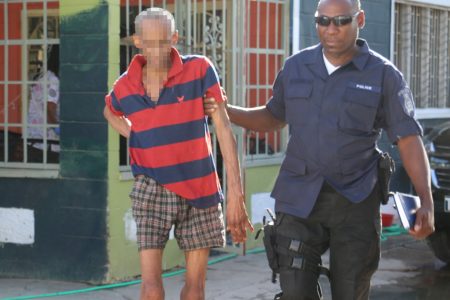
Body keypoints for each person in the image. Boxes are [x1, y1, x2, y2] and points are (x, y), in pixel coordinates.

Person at [204, 0, 435, 299]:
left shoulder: (383, 75)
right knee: (296, 291)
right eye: (322, 21)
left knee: (350, 291)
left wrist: (426, 200)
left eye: (341, 21)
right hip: (299, 197)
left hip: (355, 200)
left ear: (360, 19)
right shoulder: (297, 66)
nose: (331, 29)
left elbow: (408, 138)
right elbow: (274, 115)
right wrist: (226, 110)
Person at [103, 8, 253, 300]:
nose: (157, 50)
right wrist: (134, 133)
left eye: (164, 42)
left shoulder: (199, 69)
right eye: (150, 43)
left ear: (174, 38)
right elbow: (109, 109)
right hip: (151, 188)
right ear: (137, 42)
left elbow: (223, 127)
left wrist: (236, 194)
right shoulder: (126, 85)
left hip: (201, 187)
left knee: (195, 289)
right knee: (151, 288)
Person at [27, 44, 60, 163]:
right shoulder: (54, 81)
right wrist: (58, 129)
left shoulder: (42, 76)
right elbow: (49, 108)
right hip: (47, 142)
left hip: (33, 138)